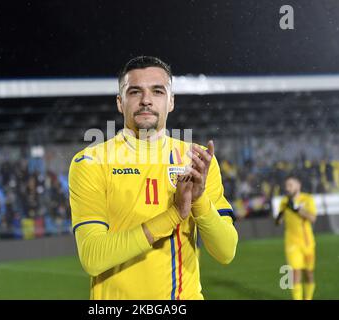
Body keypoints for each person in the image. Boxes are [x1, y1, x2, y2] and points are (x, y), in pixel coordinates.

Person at [69, 56, 238, 300]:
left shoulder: (197, 160)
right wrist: (173, 215)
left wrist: (199, 200)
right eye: (135, 91)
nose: (146, 100)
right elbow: (93, 258)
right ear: (120, 102)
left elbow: (226, 251)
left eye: (157, 91)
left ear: (171, 101)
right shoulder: (91, 162)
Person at [275, 175, 317, 300]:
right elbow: (278, 222)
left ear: (298, 185)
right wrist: (280, 215)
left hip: (307, 242)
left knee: (309, 274)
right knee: (295, 273)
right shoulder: (284, 201)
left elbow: (313, 218)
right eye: (286, 186)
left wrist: (296, 209)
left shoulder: (307, 199)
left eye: (290, 185)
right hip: (291, 243)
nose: (287, 188)